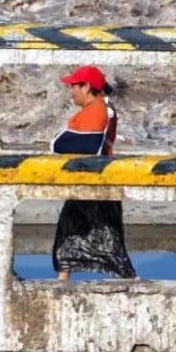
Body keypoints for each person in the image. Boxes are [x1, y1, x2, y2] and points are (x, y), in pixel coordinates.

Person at [50, 65, 136, 281]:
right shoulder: (97, 108)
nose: (71, 91)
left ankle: (128, 279)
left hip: (96, 182)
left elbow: (81, 144)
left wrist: (56, 144)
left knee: (106, 236)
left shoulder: (97, 111)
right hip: (87, 180)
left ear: (86, 87)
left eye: (74, 86)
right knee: (70, 228)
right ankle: (63, 278)